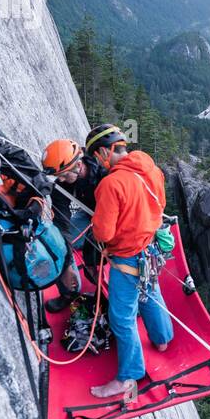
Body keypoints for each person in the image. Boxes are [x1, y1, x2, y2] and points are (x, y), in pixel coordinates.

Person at [81, 124, 174, 401]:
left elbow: (103, 232)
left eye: (96, 157)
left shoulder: (112, 184)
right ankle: (162, 338)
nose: (97, 162)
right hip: (149, 250)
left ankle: (128, 377)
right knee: (150, 294)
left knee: (121, 318)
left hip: (127, 256)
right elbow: (159, 209)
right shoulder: (150, 169)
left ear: (104, 152)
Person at [41, 138, 106, 312]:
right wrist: (67, 263)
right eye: (57, 176)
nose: (60, 179)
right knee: (57, 245)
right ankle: (69, 293)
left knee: (97, 254)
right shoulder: (62, 186)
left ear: (78, 165)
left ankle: (112, 291)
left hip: (111, 216)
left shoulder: (103, 170)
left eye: (63, 174)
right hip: (89, 213)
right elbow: (62, 226)